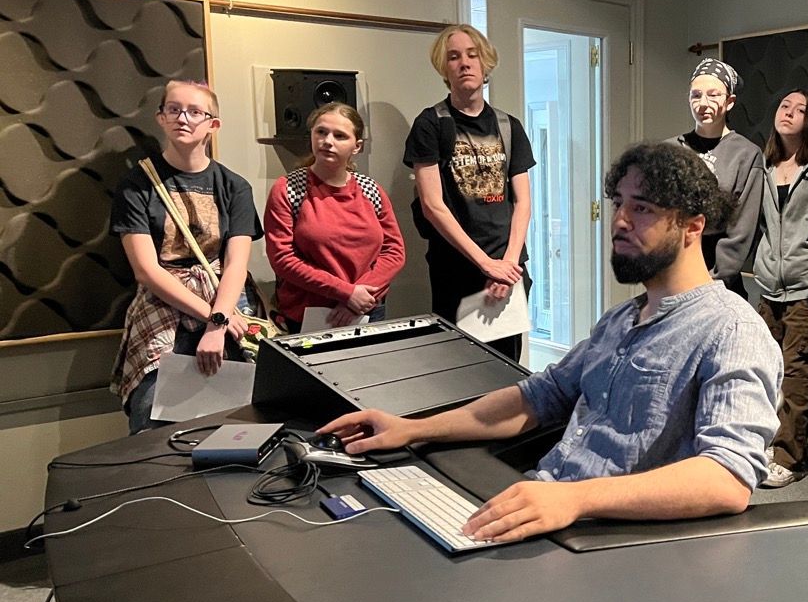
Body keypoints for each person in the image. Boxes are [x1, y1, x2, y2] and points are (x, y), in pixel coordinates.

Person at [319, 143, 783, 543]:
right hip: (548, 510)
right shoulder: (620, 320)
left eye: (642, 208)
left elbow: (728, 477)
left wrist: (572, 500)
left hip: (608, 542)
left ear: (692, 226)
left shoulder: (732, 330)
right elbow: (538, 398)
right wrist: (412, 427)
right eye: (618, 203)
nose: (619, 221)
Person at [109, 80, 263, 434]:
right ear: (160, 118)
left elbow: (237, 263)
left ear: (213, 124)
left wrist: (220, 321)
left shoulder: (233, 186)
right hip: (165, 304)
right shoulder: (137, 184)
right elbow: (147, 271)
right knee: (153, 416)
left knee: (240, 418)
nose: (183, 118)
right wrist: (214, 321)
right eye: (174, 109)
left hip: (227, 299)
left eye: (195, 112)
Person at [403, 23, 534, 362]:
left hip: (508, 272)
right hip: (456, 273)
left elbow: (522, 203)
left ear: (485, 62)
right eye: (454, 57)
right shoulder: (431, 124)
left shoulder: (509, 126)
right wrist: (485, 263)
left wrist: (507, 264)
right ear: (443, 68)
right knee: (458, 371)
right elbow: (433, 206)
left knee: (506, 370)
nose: (464, 63)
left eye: (472, 55)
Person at [752, 89, 808, 488]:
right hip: (768, 282)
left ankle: (789, 455)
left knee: (797, 372)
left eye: (798, 109)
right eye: (784, 105)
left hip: (805, 284)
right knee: (764, 369)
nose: (788, 113)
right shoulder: (765, 165)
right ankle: (763, 446)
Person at [264, 103, 405, 333]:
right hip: (309, 315)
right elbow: (283, 259)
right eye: (321, 132)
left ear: (356, 146)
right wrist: (346, 293)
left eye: (340, 136)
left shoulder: (371, 190)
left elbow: (394, 251)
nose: (328, 141)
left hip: (368, 310)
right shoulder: (288, 189)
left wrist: (359, 298)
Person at [666, 57, 765, 296]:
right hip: (671, 278)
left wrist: (712, 281)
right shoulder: (670, 150)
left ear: (729, 102)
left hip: (719, 286)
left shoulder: (746, 154)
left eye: (713, 95)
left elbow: (742, 230)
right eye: (696, 95)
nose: (703, 103)